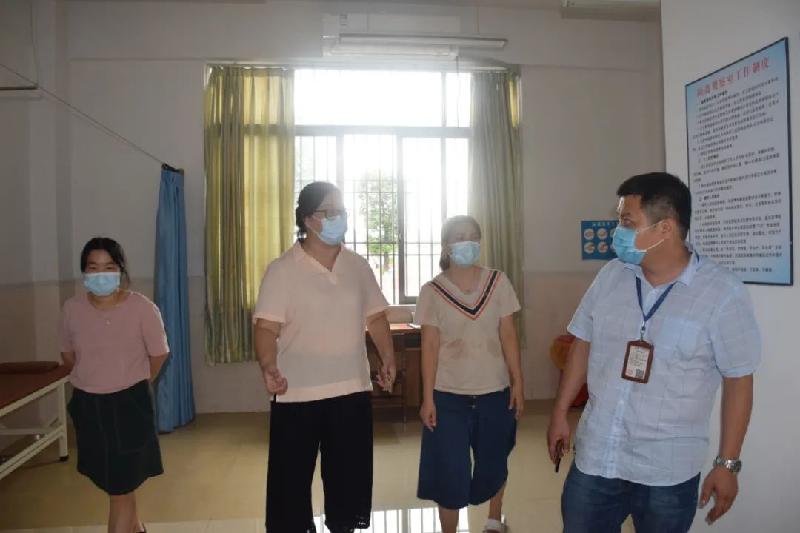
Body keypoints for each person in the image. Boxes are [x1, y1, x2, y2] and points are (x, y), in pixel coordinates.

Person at [548, 172, 761, 533]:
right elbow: (583, 341)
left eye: (627, 222)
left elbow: (739, 379)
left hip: (666, 470)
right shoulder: (612, 276)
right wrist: (559, 412)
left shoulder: (722, 293)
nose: (617, 230)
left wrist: (728, 464)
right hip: (598, 456)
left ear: (665, 228)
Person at [253, 181, 396, 533]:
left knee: (348, 481)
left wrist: (387, 357)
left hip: (351, 390)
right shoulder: (282, 269)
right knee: (290, 484)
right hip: (297, 393)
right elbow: (266, 328)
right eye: (328, 212)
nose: (338, 218)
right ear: (307, 219)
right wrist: (268, 365)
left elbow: (376, 318)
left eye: (341, 211)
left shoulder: (357, 265)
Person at [415, 215, 524, 533]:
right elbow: (429, 346)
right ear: (446, 245)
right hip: (448, 396)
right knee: (449, 470)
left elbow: (508, 335)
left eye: (473, 236)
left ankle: (494, 519)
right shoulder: (432, 291)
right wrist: (428, 398)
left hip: (494, 391)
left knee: (495, 459)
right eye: (459, 236)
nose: (467, 242)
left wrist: (517, 382)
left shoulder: (498, 282)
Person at [60, 237, 170, 533]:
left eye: (109, 267)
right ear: (84, 272)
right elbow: (67, 354)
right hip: (89, 405)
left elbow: (159, 354)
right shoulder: (72, 309)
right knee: (118, 485)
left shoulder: (142, 308)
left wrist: (133, 381)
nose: (101, 274)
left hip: (129, 404)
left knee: (120, 488)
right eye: (93, 267)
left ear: (121, 270)